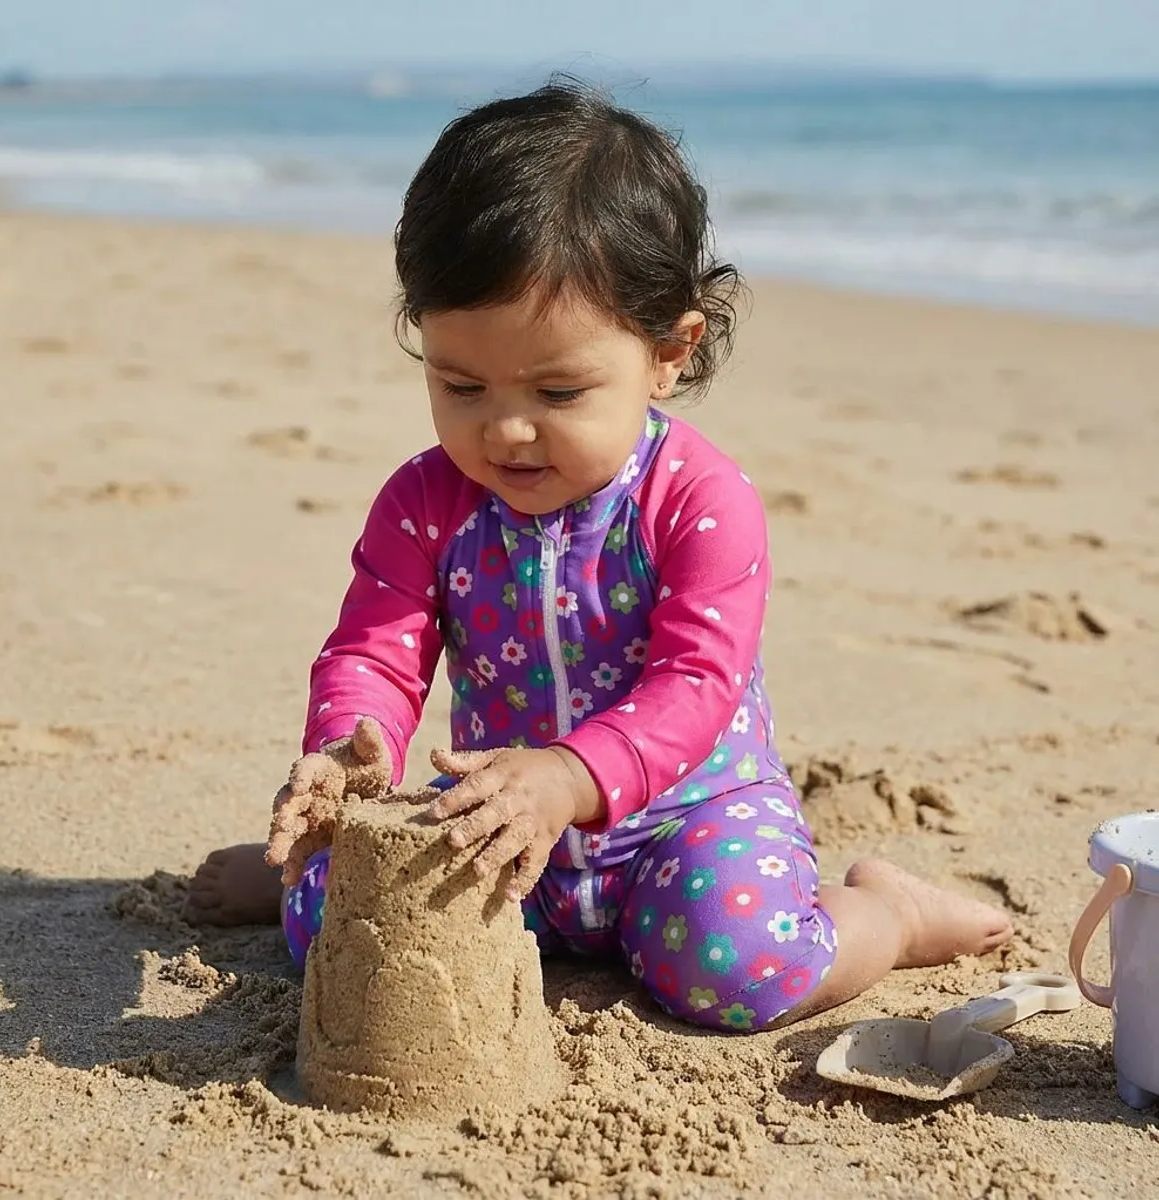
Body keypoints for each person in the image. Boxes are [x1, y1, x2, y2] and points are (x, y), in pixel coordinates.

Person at [185, 79, 1011, 1033]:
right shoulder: (426, 502)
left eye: (561, 392)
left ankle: (891, 915)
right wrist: (347, 747)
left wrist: (571, 779)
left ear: (669, 351)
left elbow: (697, 684)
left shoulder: (697, 501)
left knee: (738, 971)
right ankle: (292, 861)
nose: (507, 430)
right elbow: (376, 649)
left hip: (683, 823)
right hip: (503, 816)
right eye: (461, 384)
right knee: (341, 927)